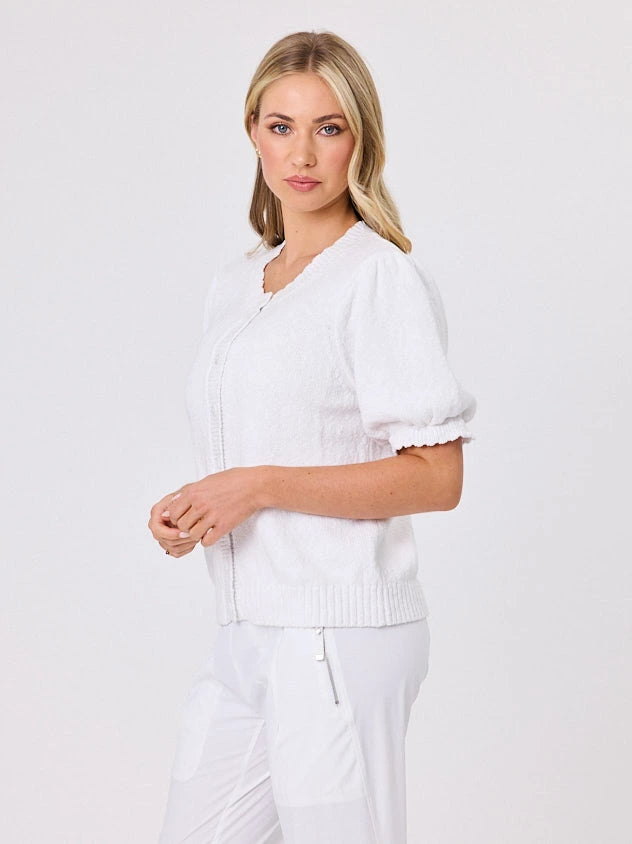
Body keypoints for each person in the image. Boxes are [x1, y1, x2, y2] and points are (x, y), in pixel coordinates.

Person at [149, 29, 477, 844]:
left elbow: (437, 478)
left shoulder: (378, 279)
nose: (302, 152)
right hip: (245, 632)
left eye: (329, 127)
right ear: (253, 132)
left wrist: (258, 486)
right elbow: (256, 444)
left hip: (342, 638)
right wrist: (197, 507)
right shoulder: (237, 283)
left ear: (360, 142)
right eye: (281, 124)